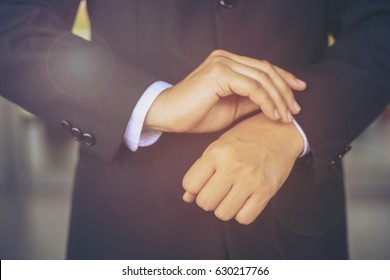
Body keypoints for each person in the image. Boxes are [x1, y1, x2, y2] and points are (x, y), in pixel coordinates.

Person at [0, 0, 389, 259]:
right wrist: (151, 103)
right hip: (128, 228)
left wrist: (294, 126)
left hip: (295, 220)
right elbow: (12, 25)